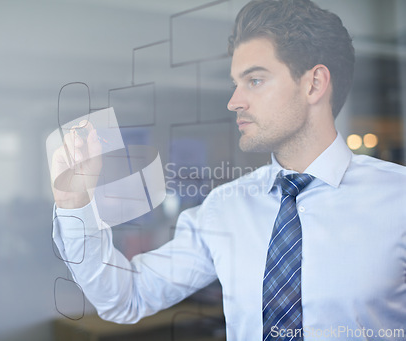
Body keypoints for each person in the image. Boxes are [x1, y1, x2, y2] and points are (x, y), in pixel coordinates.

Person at [50, 0, 406, 339]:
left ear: (313, 84)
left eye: (254, 80)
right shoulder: (224, 209)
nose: (234, 101)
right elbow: (126, 298)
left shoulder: (398, 200)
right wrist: (74, 206)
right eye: (236, 83)